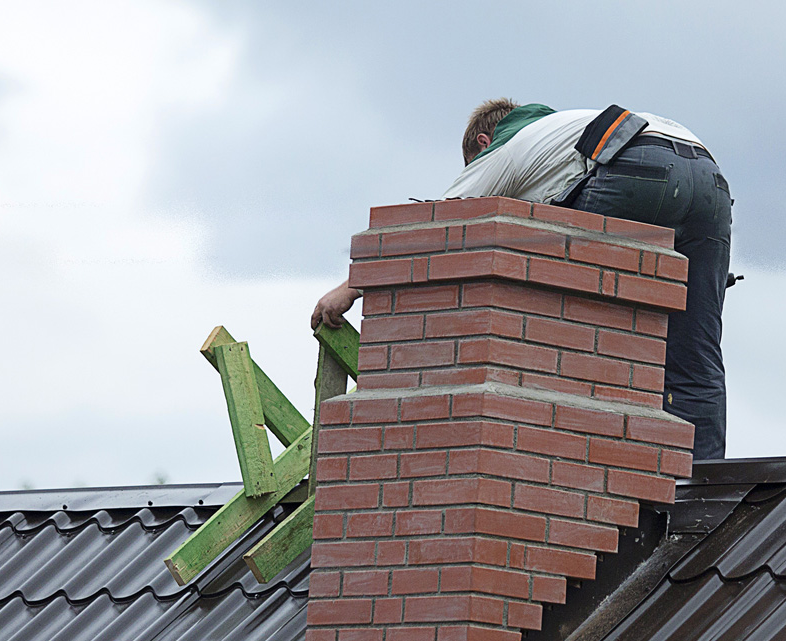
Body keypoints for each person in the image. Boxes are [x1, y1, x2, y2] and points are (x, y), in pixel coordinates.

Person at [311, 99, 731, 459]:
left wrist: (350, 288)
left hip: (632, 164)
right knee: (696, 353)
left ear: (482, 144)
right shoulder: (560, 134)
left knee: (562, 304)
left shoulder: (507, 144)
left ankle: (580, 453)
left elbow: (439, 223)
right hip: (709, 181)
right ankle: (702, 489)